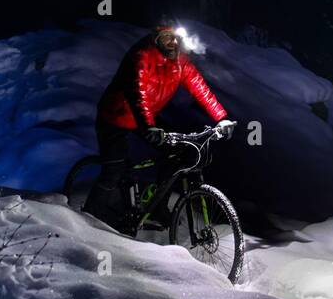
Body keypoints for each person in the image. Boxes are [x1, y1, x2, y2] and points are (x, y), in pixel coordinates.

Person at [83, 24, 234, 233]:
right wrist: (148, 127)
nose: (172, 42)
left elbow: (200, 88)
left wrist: (222, 118)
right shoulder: (141, 57)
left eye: (176, 38)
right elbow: (138, 95)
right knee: (114, 170)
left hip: (146, 119)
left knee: (177, 152)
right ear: (155, 39)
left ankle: (157, 208)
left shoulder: (180, 62)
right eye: (166, 38)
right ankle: (87, 220)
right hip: (115, 116)